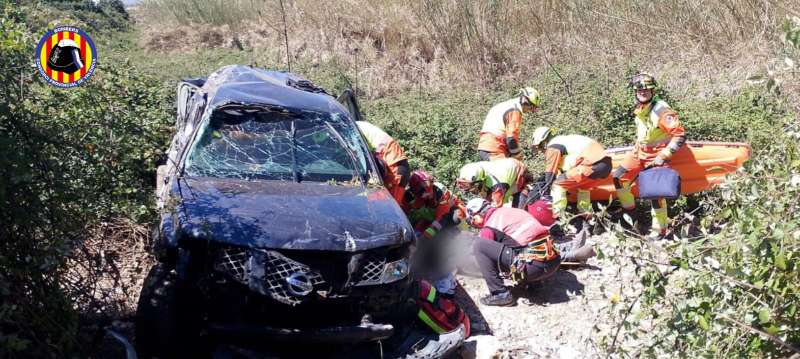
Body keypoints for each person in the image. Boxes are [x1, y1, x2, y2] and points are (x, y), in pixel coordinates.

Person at [612, 72, 687, 239]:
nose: (642, 93)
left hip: (656, 155)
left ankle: (659, 229)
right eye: (639, 91)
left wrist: (664, 154)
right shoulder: (640, 107)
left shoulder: (661, 110)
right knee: (619, 178)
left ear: (653, 91)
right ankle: (632, 216)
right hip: (639, 152)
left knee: (655, 193)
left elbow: (680, 135)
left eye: (646, 90)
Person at [464, 198, 561, 306]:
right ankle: (535, 284)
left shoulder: (490, 226)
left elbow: (486, 259)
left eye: (472, 220)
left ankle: (500, 294)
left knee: (479, 245)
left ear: (477, 214)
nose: (474, 224)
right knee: (517, 246)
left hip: (534, 268)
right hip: (553, 262)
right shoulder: (510, 211)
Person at [529, 127, 612, 221]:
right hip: (605, 165)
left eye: (540, 148)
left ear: (543, 142)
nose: (542, 151)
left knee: (557, 184)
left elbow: (550, 172)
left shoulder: (553, 146)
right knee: (583, 188)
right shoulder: (567, 140)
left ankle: (558, 218)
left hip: (590, 164)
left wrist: (547, 189)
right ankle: (587, 217)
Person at [477, 87, 541, 161]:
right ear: (525, 101)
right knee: (511, 170)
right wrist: (518, 157)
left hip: (487, 146)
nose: (530, 111)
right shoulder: (515, 110)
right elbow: (511, 139)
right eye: (531, 108)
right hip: (494, 148)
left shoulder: (507, 105)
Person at [356, 121, 410, 204]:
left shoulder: (349, 127)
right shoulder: (355, 124)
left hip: (392, 165)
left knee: (389, 207)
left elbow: (356, 154)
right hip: (395, 162)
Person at [402, 170, 465, 240]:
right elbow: (404, 214)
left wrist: (426, 237)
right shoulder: (409, 196)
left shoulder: (440, 193)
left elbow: (441, 219)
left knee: (454, 219)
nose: (429, 193)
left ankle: (449, 233)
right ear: (415, 190)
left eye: (429, 185)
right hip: (429, 215)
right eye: (423, 191)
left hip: (448, 212)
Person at [456, 158, 530, 208]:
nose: (466, 188)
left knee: (517, 212)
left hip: (520, 176)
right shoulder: (477, 168)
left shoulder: (497, 184)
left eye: (468, 185)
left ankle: (526, 191)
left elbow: (495, 208)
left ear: (478, 181)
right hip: (506, 171)